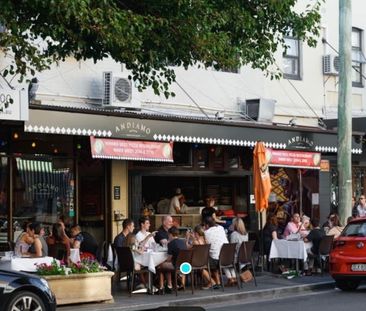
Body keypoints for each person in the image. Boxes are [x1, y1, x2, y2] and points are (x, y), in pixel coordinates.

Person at [157, 226, 187, 294]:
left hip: (176, 265)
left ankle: (162, 287)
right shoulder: (183, 242)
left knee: (160, 266)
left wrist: (163, 261)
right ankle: (169, 285)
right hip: (184, 265)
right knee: (167, 267)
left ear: (170, 234)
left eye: (168, 235)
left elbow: (169, 258)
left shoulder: (171, 243)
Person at [202, 216, 228, 289]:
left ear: (206, 225)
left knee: (200, 264)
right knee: (213, 256)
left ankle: (212, 282)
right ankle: (218, 282)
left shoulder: (206, 232)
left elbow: (205, 245)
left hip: (216, 260)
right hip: (226, 258)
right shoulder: (221, 228)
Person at [228, 217, 248, 286]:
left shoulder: (234, 234)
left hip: (237, 257)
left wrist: (229, 231)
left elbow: (232, 247)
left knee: (223, 261)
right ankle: (233, 278)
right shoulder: (246, 234)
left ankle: (231, 278)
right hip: (245, 257)